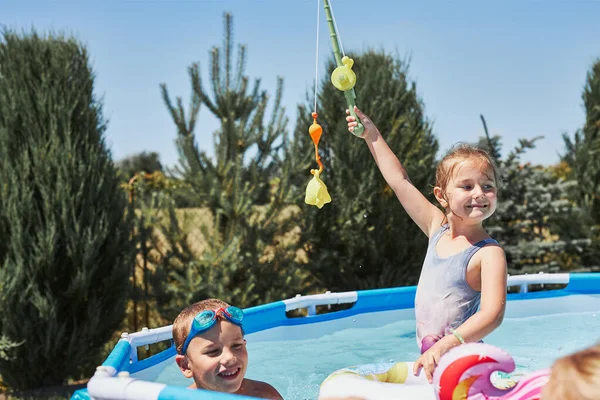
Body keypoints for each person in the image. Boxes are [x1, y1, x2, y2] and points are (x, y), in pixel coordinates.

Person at [347, 107, 507, 383]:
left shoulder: (488, 253)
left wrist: (447, 344)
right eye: (466, 187)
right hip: (435, 362)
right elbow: (400, 182)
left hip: (466, 366)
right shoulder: (437, 228)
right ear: (441, 196)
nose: (479, 194)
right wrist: (372, 136)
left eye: (487, 186)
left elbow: (492, 315)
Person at [173, 298, 283, 399]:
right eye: (213, 351)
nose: (230, 357)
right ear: (185, 365)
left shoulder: (263, 395)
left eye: (236, 345)